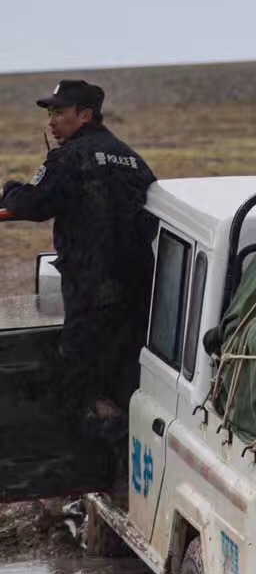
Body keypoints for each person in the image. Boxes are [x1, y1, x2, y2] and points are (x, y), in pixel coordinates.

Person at [1, 79, 156, 439]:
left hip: (91, 289)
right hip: (140, 289)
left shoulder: (70, 157)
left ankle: (98, 453)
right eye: (50, 113)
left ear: (84, 115)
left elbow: (35, 204)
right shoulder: (132, 159)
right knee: (125, 373)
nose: (52, 121)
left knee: (82, 382)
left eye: (59, 112)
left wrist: (10, 190)